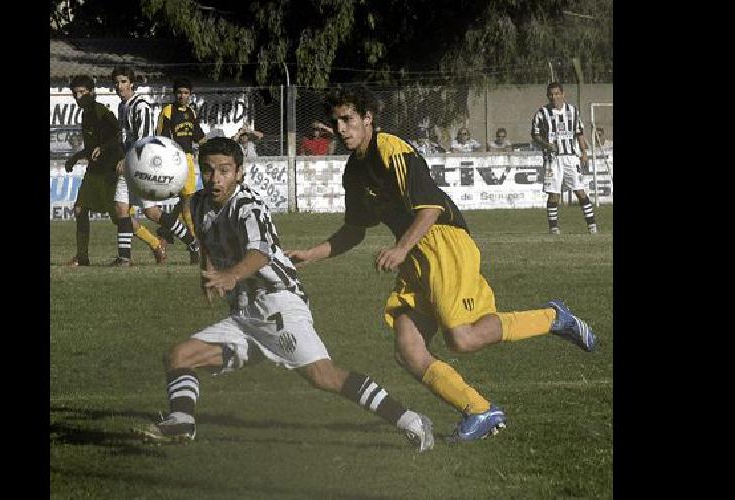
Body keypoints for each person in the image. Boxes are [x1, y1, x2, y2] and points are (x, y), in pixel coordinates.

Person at [286, 86, 597, 442]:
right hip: (416, 252)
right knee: (407, 349)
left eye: (348, 119)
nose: (341, 129)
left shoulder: (392, 150)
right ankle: (479, 409)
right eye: (336, 121)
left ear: (368, 118)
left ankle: (554, 318)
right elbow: (354, 231)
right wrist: (312, 253)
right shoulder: (353, 174)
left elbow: (430, 207)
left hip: (442, 240)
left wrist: (401, 249)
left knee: (462, 339)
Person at [137, 137, 434, 452]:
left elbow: (260, 253)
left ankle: (412, 421)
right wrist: (207, 275)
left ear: (239, 172)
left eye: (224, 170)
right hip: (245, 315)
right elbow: (208, 242)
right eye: (209, 170)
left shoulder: (248, 206)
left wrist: (231, 275)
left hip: (278, 304)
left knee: (324, 376)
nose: (215, 178)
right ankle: (181, 421)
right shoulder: (197, 204)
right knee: (180, 356)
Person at [63, 74, 125, 266]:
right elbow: (92, 147)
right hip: (94, 170)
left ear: (91, 92)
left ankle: (155, 244)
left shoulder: (100, 111)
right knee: (80, 209)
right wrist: (75, 157)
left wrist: (104, 148)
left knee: (120, 218)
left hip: (109, 170)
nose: (78, 97)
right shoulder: (86, 115)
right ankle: (82, 257)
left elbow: (118, 135)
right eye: (75, 93)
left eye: (82, 92)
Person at [110, 66, 167, 265]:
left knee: (151, 213)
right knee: (120, 210)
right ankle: (124, 258)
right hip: (128, 164)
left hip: (141, 165)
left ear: (132, 83)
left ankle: (192, 242)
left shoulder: (141, 106)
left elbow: (144, 140)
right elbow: (124, 137)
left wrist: (126, 160)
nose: (119, 86)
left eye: (123, 81)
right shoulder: (121, 106)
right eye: (116, 82)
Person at [531, 82, 600, 234]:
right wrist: (546, 144)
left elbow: (579, 132)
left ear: (563, 94)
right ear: (547, 96)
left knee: (580, 191)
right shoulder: (542, 113)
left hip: (571, 157)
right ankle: (554, 228)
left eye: (556, 94)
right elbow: (535, 135)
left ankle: (592, 226)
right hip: (552, 159)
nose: (553, 97)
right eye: (551, 94)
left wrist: (584, 152)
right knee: (554, 194)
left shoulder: (573, 111)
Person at [156, 77, 206, 263]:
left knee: (187, 199)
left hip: (188, 158)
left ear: (190, 95)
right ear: (174, 94)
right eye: (179, 93)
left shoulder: (192, 112)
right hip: (174, 159)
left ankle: (166, 230)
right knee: (187, 201)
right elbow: (161, 137)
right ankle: (193, 242)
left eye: (186, 93)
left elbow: (198, 136)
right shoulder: (168, 111)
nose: (182, 96)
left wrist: (212, 146)